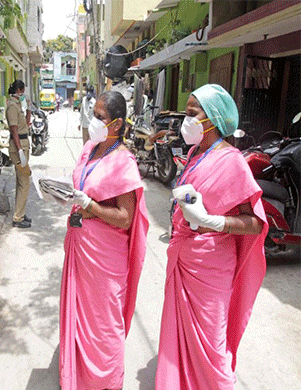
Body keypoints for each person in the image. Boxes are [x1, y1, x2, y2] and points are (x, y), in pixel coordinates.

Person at [155, 84, 268, 389]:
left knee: (209, 343)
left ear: (213, 118)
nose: (186, 119)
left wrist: (213, 221)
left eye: (192, 113)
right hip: (183, 254)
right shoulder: (194, 153)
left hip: (211, 265)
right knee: (179, 335)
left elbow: (255, 224)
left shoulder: (232, 161)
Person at [60, 91, 149, 390]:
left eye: (100, 117)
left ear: (117, 124)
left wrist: (92, 208)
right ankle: (79, 377)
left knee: (104, 324)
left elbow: (125, 217)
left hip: (105, 257)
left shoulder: (125, 162)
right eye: (92, 113)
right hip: (80, 248)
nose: (92, 121)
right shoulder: (90, 148)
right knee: (80, 317)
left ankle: (108, 382)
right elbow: (81, 185)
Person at [6, 80, 32, 228]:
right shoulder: (12, 106)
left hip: (23, 143)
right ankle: (18, 218)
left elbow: (26, 125)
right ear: (19, 90)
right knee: (25, 182)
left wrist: (29, 109)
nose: (23, 94)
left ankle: (20, 213)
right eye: (22, 91)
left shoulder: (17, 105)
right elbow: (14, 130)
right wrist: (20, 151)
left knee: (20, 181)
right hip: (18, 147)